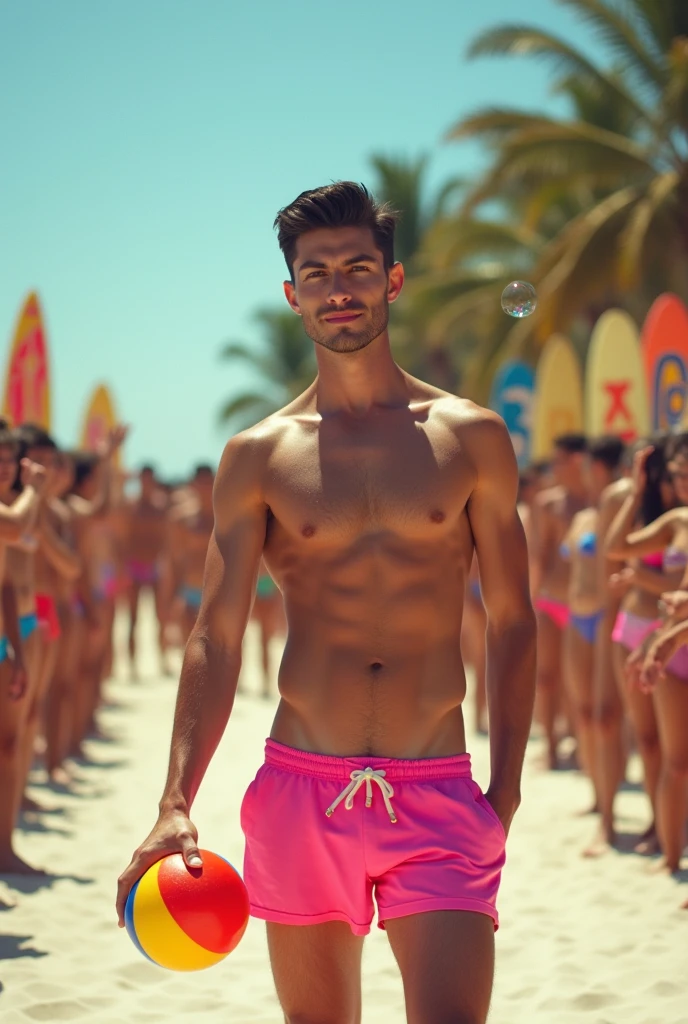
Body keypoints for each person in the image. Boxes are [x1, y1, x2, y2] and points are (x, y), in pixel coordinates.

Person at [117, 181, 536, 1024]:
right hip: (302, 791)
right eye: (317, 274)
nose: (337, 288)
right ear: (291, 294)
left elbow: (513, 617)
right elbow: (216, 637)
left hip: (440, 789)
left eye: (356, 268)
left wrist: (508, 788)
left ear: (392, 279)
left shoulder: (472, 436)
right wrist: (175, 801)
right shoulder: (258, 455)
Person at [606, 435, 688, 875]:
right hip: (671, 642)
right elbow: (615, 547)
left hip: (671, 634)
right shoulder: (676, 521)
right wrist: (636, 492)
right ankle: (672, 857)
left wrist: (661, 591)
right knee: (673, 761)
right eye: (679, 475)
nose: (685, 482)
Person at [561, 436, 625, 812]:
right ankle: (598, 797)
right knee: (584, 713)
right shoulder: (583, 515)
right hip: (576, 617)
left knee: (606, 718)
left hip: (605, 618)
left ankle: (609, 807)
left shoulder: (617, 511)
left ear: (597, 468)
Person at [0, 432, 47, 874]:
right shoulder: (15, 508)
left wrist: (13, 645)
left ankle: (5, 847)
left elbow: (6, 585)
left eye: (9, 458)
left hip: (6, 639)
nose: (6, 466)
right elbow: (14, 527)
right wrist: (35, 488)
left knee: (11, 746)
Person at [531, 434, 589, 768]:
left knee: (579, 683)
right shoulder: (548, 503)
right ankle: (551, 745)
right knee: (547, 677)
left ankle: (582, 748)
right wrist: (532, 599)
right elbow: (539, 555)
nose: (554, 468)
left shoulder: (596, 500)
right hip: (552, 599)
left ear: (576, 461)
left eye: (558, 461)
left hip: (584, 603)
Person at [123, 465, 170, 678]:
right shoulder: (131, 505)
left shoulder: (161, 506)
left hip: (155, 565)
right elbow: (122, 537)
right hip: (134, 565)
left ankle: (162, 659)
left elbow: (167, 539)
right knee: (132, 618)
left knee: (160, 616)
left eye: (150, 480)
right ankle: (132, 665)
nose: (146, 484)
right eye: (143, 480)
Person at [167, 465, 215, 643]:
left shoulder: (225, 515)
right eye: (201, 483)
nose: (205, 487)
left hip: (219, 592)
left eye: (209, 482)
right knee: (190, 645)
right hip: (191, 588)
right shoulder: (181, 518)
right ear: (193, 485)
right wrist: (172, 596)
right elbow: (173, 559)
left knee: (222, 648)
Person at [250, 557, 285, 699]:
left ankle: (266, 682)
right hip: (261, 579)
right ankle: (265, 683)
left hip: (263, 580)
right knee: (260, 639)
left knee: (264, 639)